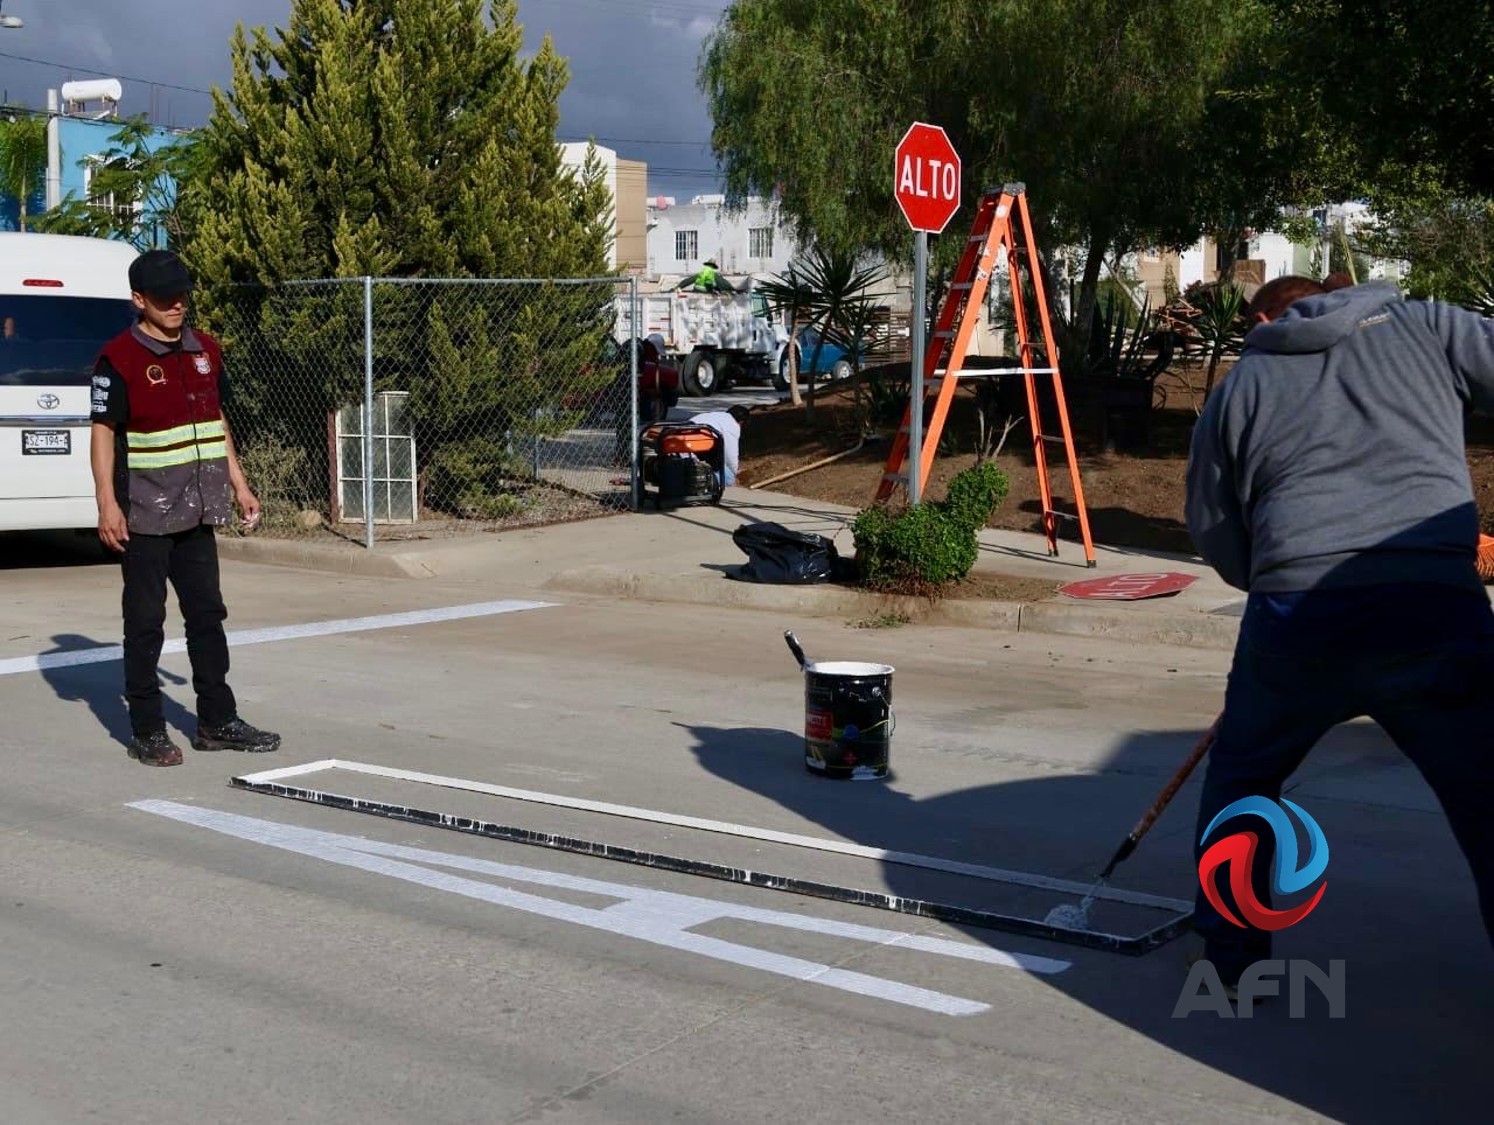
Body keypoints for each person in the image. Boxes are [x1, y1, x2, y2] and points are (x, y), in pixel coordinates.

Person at [1185, 274, 1494, 990]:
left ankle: (1229, 958)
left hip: (1298, 613)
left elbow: (1213, 522)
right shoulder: (1430, 325)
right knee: (1484, 791)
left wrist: (1267, 579)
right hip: (1431, 601)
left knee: (1244, 776)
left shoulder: (1242, 385)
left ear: (1266, 316)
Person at [89, 249, 281, 767]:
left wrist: (238, 483)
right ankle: (148, 729)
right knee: (146, 623)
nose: (176, 304)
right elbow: (103, 433)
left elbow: (216, 422)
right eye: (163, 297)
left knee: (207, 617)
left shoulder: (206, 351)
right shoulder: (119, 359)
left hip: (198, 510)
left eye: (180, 294)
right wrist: (107, 504)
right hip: (145, 514)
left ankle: (217, 721)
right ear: (138, 300)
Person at [687, 404, 751, 486]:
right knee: (728, 480)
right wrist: (735, 471)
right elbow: (730, 453)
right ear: (741, 422)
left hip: (686, 441)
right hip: (700, 443)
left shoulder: (714, 416)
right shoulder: (732, 425)